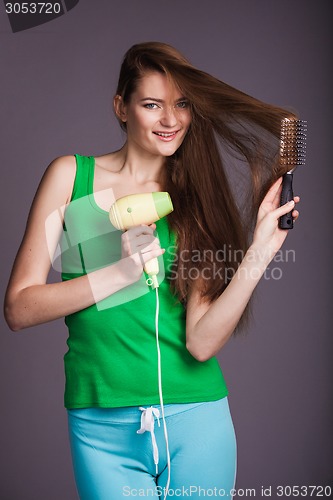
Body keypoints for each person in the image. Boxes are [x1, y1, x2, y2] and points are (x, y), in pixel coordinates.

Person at [4, 42, 300, 499]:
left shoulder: (194, 200)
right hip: (101, 426)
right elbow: (19, 308)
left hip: (196, 419)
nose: (171, 120)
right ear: (121, 107)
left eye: (181, 104)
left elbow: (201, 342)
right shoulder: (70, 177)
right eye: (151, 105)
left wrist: (260, 250)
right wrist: (120, 273)